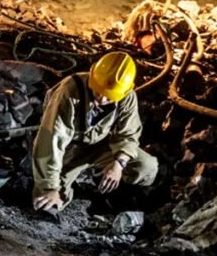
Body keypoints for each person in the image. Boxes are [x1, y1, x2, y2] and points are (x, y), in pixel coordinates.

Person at [31, 52, 158, 213]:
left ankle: (113, 190)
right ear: (92, 76)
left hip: (101, 146)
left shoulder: (126, 96)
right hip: (70, 150)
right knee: (48, 203)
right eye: (99, 92)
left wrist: (119, 164)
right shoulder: (70, 91)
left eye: (110, 97)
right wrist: (50, 187)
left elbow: (129, 134)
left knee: (146, 167)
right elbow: (51, 142)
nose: (102, 100)